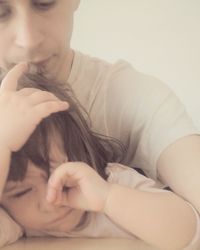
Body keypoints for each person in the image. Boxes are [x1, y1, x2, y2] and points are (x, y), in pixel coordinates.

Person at [0, 0, 199, 246]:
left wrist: (108, 198)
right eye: (0, 12)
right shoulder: (13, 220)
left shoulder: (111, 178)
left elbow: (188, 228)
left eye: (44, 2)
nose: (52, 198)